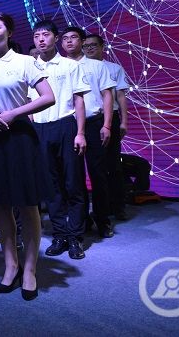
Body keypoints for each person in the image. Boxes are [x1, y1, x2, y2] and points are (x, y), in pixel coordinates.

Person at [0, 11, 55, 300]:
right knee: (0, 205)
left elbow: (48, 96)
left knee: (28, 205)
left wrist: (14, 113)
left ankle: (30, 269)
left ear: (10, 31)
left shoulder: (24, 61)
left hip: (19, 137)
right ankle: (10, 265)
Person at [30, 20, 90, 260]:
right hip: (40, 129)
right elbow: (29, 102)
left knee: (73, 183)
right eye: (37, 36)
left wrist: (81, 132)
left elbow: (79, 100)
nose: (41, 39)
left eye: (45, 35)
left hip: (66, 126)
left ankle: (75, 236)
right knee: (51, 185)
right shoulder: (30, 67)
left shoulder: (70, 65)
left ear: (56, 38)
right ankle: (60, 234)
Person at [61, 27, 116, 238]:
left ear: (82, 41)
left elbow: (107, 95)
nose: (69, 42)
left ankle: (103, 220)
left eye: (73, 37)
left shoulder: (97, 65)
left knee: (98, 173)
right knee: (73, 177)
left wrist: (107, 125)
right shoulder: (59, 66)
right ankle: (81, 220)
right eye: (65, 38)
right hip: (68, 125)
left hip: (94, 123)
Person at [84, 34, 130, 220]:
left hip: (111, 117)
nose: (89, 48)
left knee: (113, 164)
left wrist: (124, 122)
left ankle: (118, 206)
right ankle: (101, 208)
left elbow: (120, 96)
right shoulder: (78, 67)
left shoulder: (114, 68)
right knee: (95, 167)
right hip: (89, 120)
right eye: (86, 46)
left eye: (93, 45)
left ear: (102, 47)